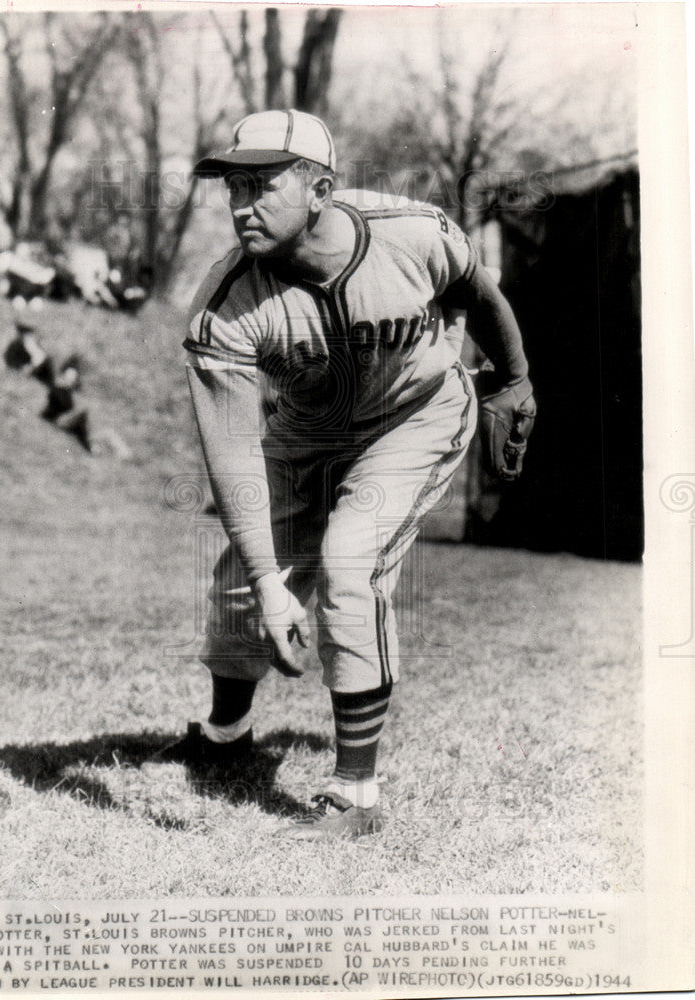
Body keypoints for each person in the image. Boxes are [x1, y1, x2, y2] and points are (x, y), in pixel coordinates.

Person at [182, 109, 535, 839]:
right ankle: (225, 743)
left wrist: (515, 380)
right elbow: (233, 460)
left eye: (262, 184)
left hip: (416, 414)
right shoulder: (227, 306)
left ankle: (356, 798)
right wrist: (272, 588)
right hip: (309, 429)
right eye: (233, 187)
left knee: (349, 565)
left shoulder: (410, 232)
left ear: (320, 188)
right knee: (244, 584)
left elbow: (480, 289)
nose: (242, 204)